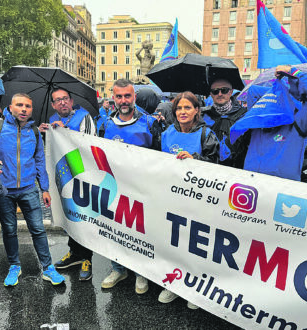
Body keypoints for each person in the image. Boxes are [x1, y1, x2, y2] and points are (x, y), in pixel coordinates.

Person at [0, 93, 65, 287]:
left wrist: (44, 188)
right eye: (19, 105)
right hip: (3, 189)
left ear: (31, 110)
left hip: (29, 188)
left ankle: (47, 267)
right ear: (9, 108)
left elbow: (39, 160)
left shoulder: (34, 132)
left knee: (38, 229)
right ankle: (14, 266)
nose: (23, 109)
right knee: (9, 230)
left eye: (28, 106)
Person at [99, 79, 162, 294]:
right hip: (113, 187)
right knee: (113, 230)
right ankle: (118, 268)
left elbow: (160, 157)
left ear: (134, 96)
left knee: (139, 232)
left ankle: (140, 273)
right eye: (119, 96)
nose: (123, 100)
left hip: (140, 189)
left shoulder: (150, 122)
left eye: (127, 96)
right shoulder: (105, 123)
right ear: (113, 98)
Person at [158, 91, 219, 309]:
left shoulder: (207, 134)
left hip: (198, 201)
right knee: (174, 242)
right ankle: (174, 284)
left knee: (195, 245)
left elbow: (217, 166)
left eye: (187, 108)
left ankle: (195, 290)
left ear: (196, 111)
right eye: (179, 108)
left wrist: (197, 160)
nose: (183, 112)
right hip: (173, 198)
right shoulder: (166, 133)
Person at [230, 65, 307, 181]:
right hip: (251, 187)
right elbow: (253, 91)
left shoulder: (298, 122)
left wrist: (293, 73)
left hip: (281, 193)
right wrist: (277, 90)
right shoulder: (257, 120)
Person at [40, 88, 96, 281]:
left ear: (71, 101)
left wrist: (64, 132)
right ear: (53, 105)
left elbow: (89, 144)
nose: (62, 102)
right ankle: (74, 253)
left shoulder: (84, 117)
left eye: (65, 98)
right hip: (65, 177)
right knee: (69, 215)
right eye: (58, 100)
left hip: (83, 176)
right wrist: (42, 134)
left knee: (84, 217)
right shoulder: (53, 119)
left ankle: (87, 258)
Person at [201, 78, 249, 168]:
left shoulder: (244, 115)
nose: (220, 94)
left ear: (230, 92)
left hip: (236, 171)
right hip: (208, 171)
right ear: (211, 94)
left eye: (224, 90)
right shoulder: (203, 116)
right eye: (215, 91)